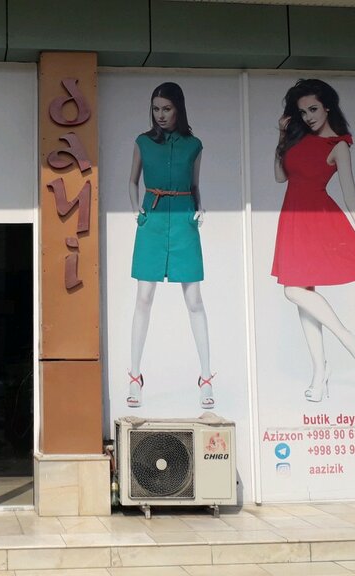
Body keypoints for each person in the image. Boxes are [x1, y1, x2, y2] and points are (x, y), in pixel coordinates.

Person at [272, 79, 355, 403]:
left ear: (328, 107)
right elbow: (280, 176)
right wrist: (281, 136)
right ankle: (319, 372)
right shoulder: (296, 139)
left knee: (293, 290)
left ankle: (351, 341)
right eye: (303, 111)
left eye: (313, 109)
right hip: (293, 219)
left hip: (317, 220)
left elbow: (351, 195)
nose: (308, 117)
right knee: (302, 294)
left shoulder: (339, 145)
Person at [127, 82, 215, 410]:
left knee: (194, 300)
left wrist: (200, 207)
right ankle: (135, 376)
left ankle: (206, 377)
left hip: (183, 221)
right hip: (151, 221)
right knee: (143, 298)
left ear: (179, 108)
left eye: (166, 108)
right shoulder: (142, 142)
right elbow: (132, 180)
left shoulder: (194, 145)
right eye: (156, 109)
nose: (160, 115)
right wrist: (136, 209)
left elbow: (194, 185)